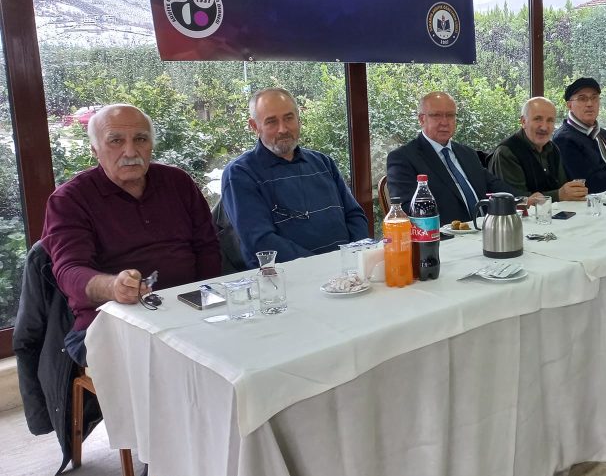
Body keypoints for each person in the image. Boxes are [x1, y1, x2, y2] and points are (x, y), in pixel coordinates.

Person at [41, 104, 221, 367]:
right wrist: (113, 287)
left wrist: (206, 298)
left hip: (188, 309)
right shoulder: (70, 200)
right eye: (116, 141)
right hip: (112, 321)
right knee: (178, 365)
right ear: (95, 150)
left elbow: (207, 247)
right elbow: (69, 271)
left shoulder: (177, 182)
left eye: (140, 139)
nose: (130, 151)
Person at [221, 88, 369, 268]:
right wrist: (323, 267)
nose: (283, 129)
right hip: (286, 279)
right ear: (254, 126)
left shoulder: (323, 163)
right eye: (271, 121)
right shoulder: (240, 174)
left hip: (348, 272)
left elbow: (355, 216)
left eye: (288, 118)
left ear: (299, 119)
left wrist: (354, 257)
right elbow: (260, 241)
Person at [387, 92, 517, 225]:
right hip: (445, 233)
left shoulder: (467, 153)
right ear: (421, 119)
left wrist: (524, 199)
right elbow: (407, 210)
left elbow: (496, 185)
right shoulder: (403, 158)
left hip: (487, 227)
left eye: (450, 115)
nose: (444, 122)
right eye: (436, 115)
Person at [489, 97, 588, 202]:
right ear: (523, 122)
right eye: (538, 119)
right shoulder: (507, 152)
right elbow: (517, 200)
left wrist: (573, 192)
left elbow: (562, 187)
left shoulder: (553, 148)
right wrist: (558, 195)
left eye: (550, 120)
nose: (544, 127)